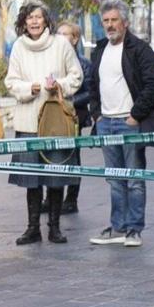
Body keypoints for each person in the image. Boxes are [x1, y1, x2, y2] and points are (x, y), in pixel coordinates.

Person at [88, 0, 154, 248]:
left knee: (134, 178)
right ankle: (118, 227)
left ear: (125, 22)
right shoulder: (99, 50)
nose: (110, 25)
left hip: (129, 123)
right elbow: (92, 86)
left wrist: (135, 115)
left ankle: (134, 229)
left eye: (114, 20)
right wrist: (97, 114)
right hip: (106, 123)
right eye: (106, 21)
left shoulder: (139, 49)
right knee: (114, 178)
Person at [6, 3, 83, 247]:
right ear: (23, 22)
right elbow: (11, 81)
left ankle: (55, 227)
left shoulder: (61, 44)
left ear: (46, 20)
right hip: (29, 119)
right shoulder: (18, 46)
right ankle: (32, 228)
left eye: (39, 17)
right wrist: (30, 88)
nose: (34, 22)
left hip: (56, 120)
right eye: (30, 18)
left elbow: (77, 75)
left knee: (55, 175)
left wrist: (58, 85)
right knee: (32, 178)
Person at [54, 20, 95, 217]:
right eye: (58, 34)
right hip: (53, 116)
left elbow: (90, 92)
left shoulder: (84, 64)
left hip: (74, 116)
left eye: (65, 34)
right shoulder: (53, 61)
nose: (60, 38)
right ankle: (51, 197)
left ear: (75, 38)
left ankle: (71, 198)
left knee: (72, 157)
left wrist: (68, 100)